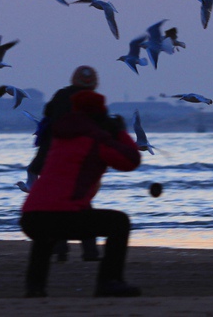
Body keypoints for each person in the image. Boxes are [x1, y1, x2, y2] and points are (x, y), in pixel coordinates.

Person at [20, 88, 142, 298]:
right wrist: (120, 132)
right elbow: (131, 160)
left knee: (46, 235)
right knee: (119, 222)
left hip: (30, 216)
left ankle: (35, 286)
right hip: (62, 215)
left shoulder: (60, 136)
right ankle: (109, 281)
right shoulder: (96, 140)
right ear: (100, 114)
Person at [27, 65, 101, 261]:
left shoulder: (60, 96)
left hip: (53, 160)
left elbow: (48, 115)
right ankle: (90, 251)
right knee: (83, 204)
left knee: (56, 205)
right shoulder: (94, 103)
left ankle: (60, 248)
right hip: (78, 161)